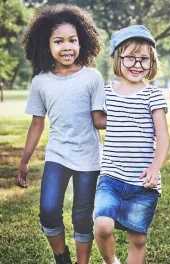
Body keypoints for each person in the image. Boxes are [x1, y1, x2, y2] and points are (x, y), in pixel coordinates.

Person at [15, 4, 104, 264]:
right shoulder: (41, 81)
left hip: (88, 158)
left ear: (82, 42)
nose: (67, 46)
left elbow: (99, 119)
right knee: (49, 210)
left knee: (81, 215)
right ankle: (61, 257)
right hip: (58, 155)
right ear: (46, 45)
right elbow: (37, 124)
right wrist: (24, 161)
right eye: (59, 41)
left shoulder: (92, 77)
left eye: (73, 40)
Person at [93, 25, 170, 264]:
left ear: (152, 62)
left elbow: (164, 137)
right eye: (130, 58)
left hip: (143, 182)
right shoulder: (105, 92)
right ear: (118, 58)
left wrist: (155, 168)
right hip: (111, 176)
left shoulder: (153, 95)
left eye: (144, 59)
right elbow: (98, 120)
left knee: (138, 240)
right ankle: (111, 261)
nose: (137, 64)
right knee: (103, 225)